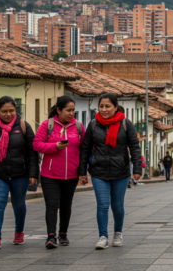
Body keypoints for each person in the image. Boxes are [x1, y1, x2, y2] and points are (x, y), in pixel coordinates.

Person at [79, 93, 142, 250]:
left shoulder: (125, 124)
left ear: (115, 107)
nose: (104, 109)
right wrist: (82, 171)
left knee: (117, 206)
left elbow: (134, 146)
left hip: (120, 171)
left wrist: (137, 168)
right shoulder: (93, 125)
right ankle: (103, 237)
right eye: (101, 106)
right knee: (102, 204)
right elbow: (85, 149)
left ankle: (118, 233)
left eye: (107, 106)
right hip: (99, 171)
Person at [33, 96, 84, 249]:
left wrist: (83, 171)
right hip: (50, 174)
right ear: (58, 110)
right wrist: (55, 147)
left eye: (73, 110)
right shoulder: (47, 125)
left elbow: (85, 150)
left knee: (66, 205)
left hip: (71, 174)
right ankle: (50, 236)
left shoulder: (79, 127)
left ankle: (63, 233)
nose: (71, 113)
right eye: (68, 110)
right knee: (52, 205)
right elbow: (36, 145)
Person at [0, 97, 39, 249]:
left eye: (11, 110)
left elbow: (32, 151)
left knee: (18, 204)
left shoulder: (23, 126)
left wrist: (33, 174)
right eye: (4, 111)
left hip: (20, 174)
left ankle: (19, 232)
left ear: (16, 110)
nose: (8, 114)